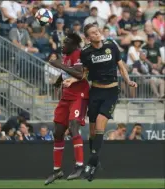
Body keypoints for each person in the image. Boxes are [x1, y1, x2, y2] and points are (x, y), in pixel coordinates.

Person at [66, 24, 137, 181]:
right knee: (92, 132)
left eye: (97, 31)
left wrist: (128, 80)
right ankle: (95, 161)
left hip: (111, 92)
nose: (97, 34)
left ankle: (91, 163)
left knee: (100, 123)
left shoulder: (111, 45)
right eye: (93, 33)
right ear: (88, 38)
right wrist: (72, 79)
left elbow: (121, 65)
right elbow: (84, 73)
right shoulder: (86, 52)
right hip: (95, 92)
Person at [44, 33, 89, 185]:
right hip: (66, 96)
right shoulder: (67, 55)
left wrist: (59, 65)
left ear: (75, 45)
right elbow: (66, 72)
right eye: (63, 42)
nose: (63, 45)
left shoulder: (78, 54)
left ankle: (80, 166)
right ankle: (57, 170)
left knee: (74, 126)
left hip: (79, 95)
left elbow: (80, 73)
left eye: (66, 43)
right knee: (57, 132)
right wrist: (58, 81)